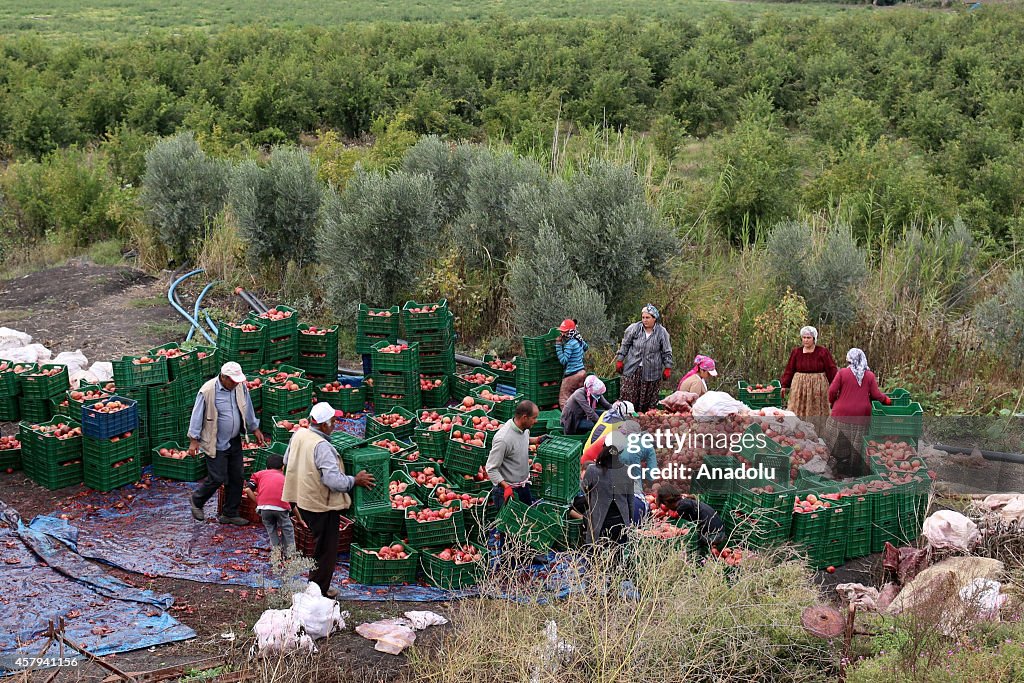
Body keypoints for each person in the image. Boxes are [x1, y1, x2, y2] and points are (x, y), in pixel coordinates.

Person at [282, 402, 375, 598]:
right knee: (326, 551)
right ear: (324, 425)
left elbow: (286, 460)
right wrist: (354, 480)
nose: (335, 425)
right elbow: (334, 482)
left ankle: (314, 585)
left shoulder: (299, 434)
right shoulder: (322, 446)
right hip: (320, 505)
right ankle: (319, 590)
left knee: (319, 545)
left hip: (302, 500)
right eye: (333, 421)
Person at [187, 361, 266, 525]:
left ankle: (230, 512)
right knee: (217, 477)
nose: (236, 383)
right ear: (223, 377)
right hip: (214, 441)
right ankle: (197, 500)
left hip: (234, 440)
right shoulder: (208, 391)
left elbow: (247, 408)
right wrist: (194, 440)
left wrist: (254, 428)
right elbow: (197, 415)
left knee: (237, 476)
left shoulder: (240, 387)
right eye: (233, 380)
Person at [825, 348, 892, 477]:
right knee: (855, 445)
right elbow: (876, 395)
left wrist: (833, 402)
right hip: (861, 416)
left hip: (841, 413)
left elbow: (832, 391)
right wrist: (886, 400)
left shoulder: (842, 373)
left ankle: (835, 469)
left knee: (836, 443)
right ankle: (852, 473)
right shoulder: (869, 375)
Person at [485, 400, 549, 511]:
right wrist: (506, 487)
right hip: (507, 491)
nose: (536, 421)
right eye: (534, 418)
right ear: (525, 417)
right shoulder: (503, 439)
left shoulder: (523, 429)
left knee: (527, 519)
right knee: (509, 526)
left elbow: (521, 441)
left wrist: (538, 439)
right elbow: (491, 469)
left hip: (523, 486)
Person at [779, 326, 838, 434]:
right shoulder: (796, 352)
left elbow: (831, 369)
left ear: (814, 338)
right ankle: (797, 431)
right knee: (798, 408)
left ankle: (818, 433)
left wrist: (836, 386)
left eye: (808, 338)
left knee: (816, 411)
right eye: (804, 337)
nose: (805, 340)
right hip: (799, 386)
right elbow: (789, 369)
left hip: (817, 387)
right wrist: (784, 385)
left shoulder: (822, 352)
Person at [615, 304, 673, 413]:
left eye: (648, 318)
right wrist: (620, 359)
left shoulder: (661, 332)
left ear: (654, 318)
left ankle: (643, 421)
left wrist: (667, 367)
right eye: (643, 317)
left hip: (651, 371)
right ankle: (625, 420)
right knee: (629, 397)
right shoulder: (634, 328)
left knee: (647, 401)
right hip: (633, 369)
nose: (644, 320)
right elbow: (625, 344)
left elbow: (667, 351)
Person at [581, 431, 635, 546]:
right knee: (617, 556)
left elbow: (584, 489)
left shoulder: (592, 470)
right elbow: (630, 502)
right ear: (620, 452)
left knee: (595, 554)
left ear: (603, 447)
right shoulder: (627, 471)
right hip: (620, 522)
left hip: (598, 522)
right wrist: (629, 522)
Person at [245, 453, 295, 560]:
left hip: (264, 508)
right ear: (283, 467)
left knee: (272, 530)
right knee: (288, 530)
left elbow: (248, 489)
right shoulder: (285, 478)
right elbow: (292, 501)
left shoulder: (259, 474)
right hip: (281, 507)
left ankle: (276, 556)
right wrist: (299, 518)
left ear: (266, 467)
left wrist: (259, 502)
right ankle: (290, 556)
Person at [655, 484, 726, 549]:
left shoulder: (682, 508)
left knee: (689, 539)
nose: (667, 508)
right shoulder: (685, 501)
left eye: (664, 505)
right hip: (719, 532)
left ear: (666, 502)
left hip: (715, 536)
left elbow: (689, 529)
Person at [555, 319, 589, 409]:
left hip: (572, 375)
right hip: (582, 372)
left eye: (564, 332)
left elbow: (563, 360)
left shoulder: (570, 344)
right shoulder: (578, 340)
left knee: (564, 400)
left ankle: (567, 420)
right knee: (579, 398)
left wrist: (558, 345)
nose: (562, 334)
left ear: (570, 332)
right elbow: (586, 347)